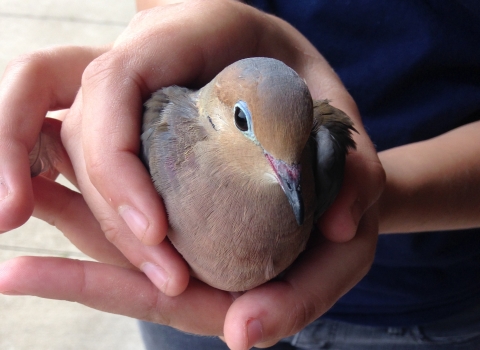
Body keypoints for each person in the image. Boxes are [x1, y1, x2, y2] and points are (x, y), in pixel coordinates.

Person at [0, 0, 479, 349]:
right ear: (217, 113)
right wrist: (175, 17)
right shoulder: (163, 135)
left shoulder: (319, 154)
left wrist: (361, 200)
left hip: (429, 304)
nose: (289, 176)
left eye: (297, 153)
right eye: (248, 127)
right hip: (187, 317)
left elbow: (310, 175)